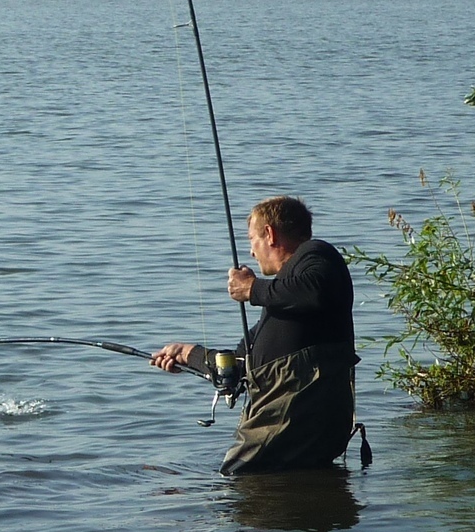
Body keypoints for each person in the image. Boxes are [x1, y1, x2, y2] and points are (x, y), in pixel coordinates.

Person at [150, 196, 359, 474]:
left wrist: (253, 289)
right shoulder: (284, 299)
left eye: (252, 239)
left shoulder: (316, 256)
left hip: (289, 423)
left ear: (270, 234)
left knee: (236, 478)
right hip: (299, 428)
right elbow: (239, 364)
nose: (251, 252)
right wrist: (189, 355)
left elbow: (315, 291)